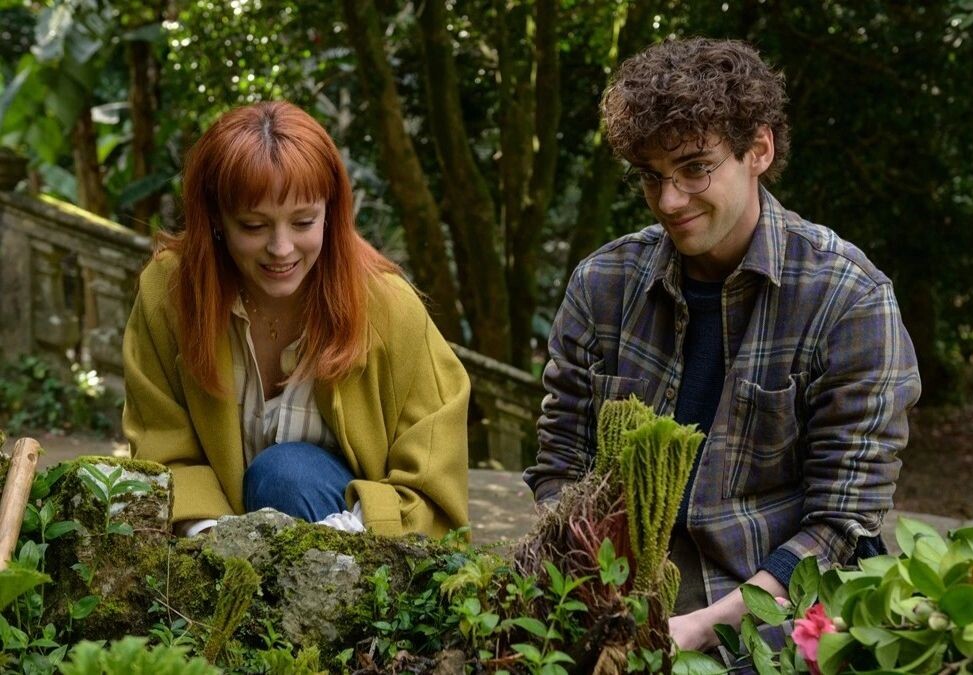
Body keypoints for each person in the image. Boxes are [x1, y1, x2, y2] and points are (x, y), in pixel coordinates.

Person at [524, 38, 921, 652]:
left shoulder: (849, 299)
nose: (669, 200)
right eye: (651, 176)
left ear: (758, 149)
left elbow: (841, 523)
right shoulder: (602, 285)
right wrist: (599, 588)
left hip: (779, 615)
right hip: (617, 594)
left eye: (694, 168)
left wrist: (692, 631)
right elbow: (559, 467)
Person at [123, 101, 470, 539]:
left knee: (285, 475)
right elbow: (161, 444)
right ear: (215, 219)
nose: (282, 248)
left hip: (359, 538)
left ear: (331, 213)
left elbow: (433, 474)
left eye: (304, 222)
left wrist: (347, 536)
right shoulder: (170, 293)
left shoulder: (388, 307)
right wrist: (213, 540)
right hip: (222, 538)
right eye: (254, 226)